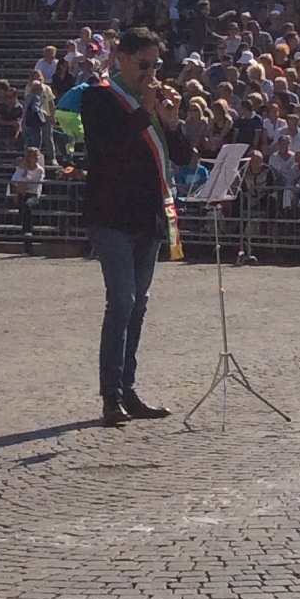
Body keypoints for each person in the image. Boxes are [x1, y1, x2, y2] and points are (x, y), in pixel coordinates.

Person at [82, 25, 192, 426]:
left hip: (148, 217)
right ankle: (110, 394)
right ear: (121, 59)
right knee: (122, 299)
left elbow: (183, 157)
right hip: (110, 215)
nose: (150, 72)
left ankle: (129, 389)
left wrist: (172, 121)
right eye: (143, 64)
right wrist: (145, 111)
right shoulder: (99, 98)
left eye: (156, 64)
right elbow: (106, 148)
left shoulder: (153, 104)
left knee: (139, 306)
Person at [10, 146, 46, 254]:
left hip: (33, 194)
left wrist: (24, 179)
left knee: (27, 206)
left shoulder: (40, 170)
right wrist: (24, 171)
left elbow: (33, 184)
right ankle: (26, 237)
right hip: (22, 194)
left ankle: (28, 233)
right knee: (23, 208)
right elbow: (14, 180)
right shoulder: (22, 167)